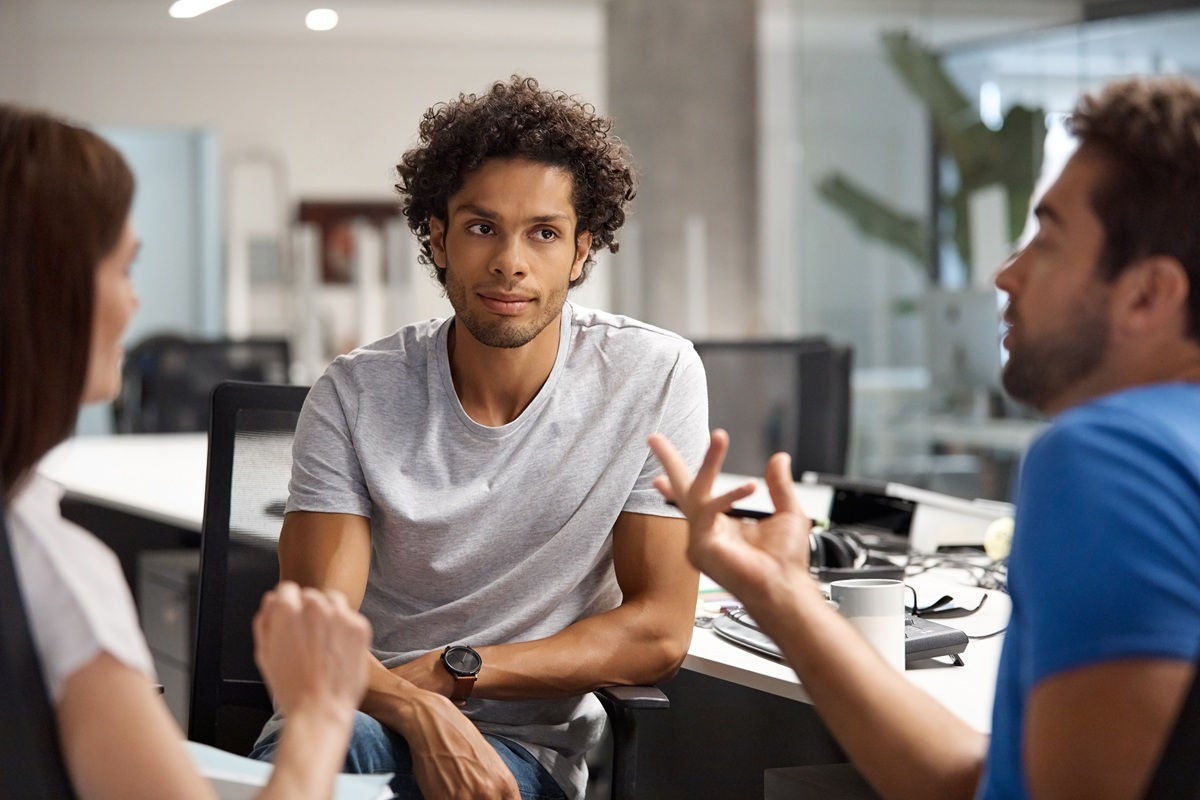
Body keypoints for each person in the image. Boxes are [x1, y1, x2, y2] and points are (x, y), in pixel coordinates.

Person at [650, 74, 1200, 800]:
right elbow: (987, 782)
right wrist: (780, 590)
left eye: (1049, 241)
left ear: (1148, 294)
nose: (1008, 274)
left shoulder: (1115, 458)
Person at [248, 75, 709, 799]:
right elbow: (316, 633)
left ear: (582, 251)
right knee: (338, 752)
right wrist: (419, 713)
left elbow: (658, 633)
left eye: (544, 233)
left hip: (522, 755)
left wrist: (454, 672)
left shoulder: (652, 376)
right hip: (357, 723)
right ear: (438, 238)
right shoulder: (356, 392)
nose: (510, 262)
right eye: (481, 227)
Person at [0, 103, 373, 800]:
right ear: (49, 293)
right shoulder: (50, 569)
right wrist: (321, 709)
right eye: (124, 270)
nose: (134, 304)